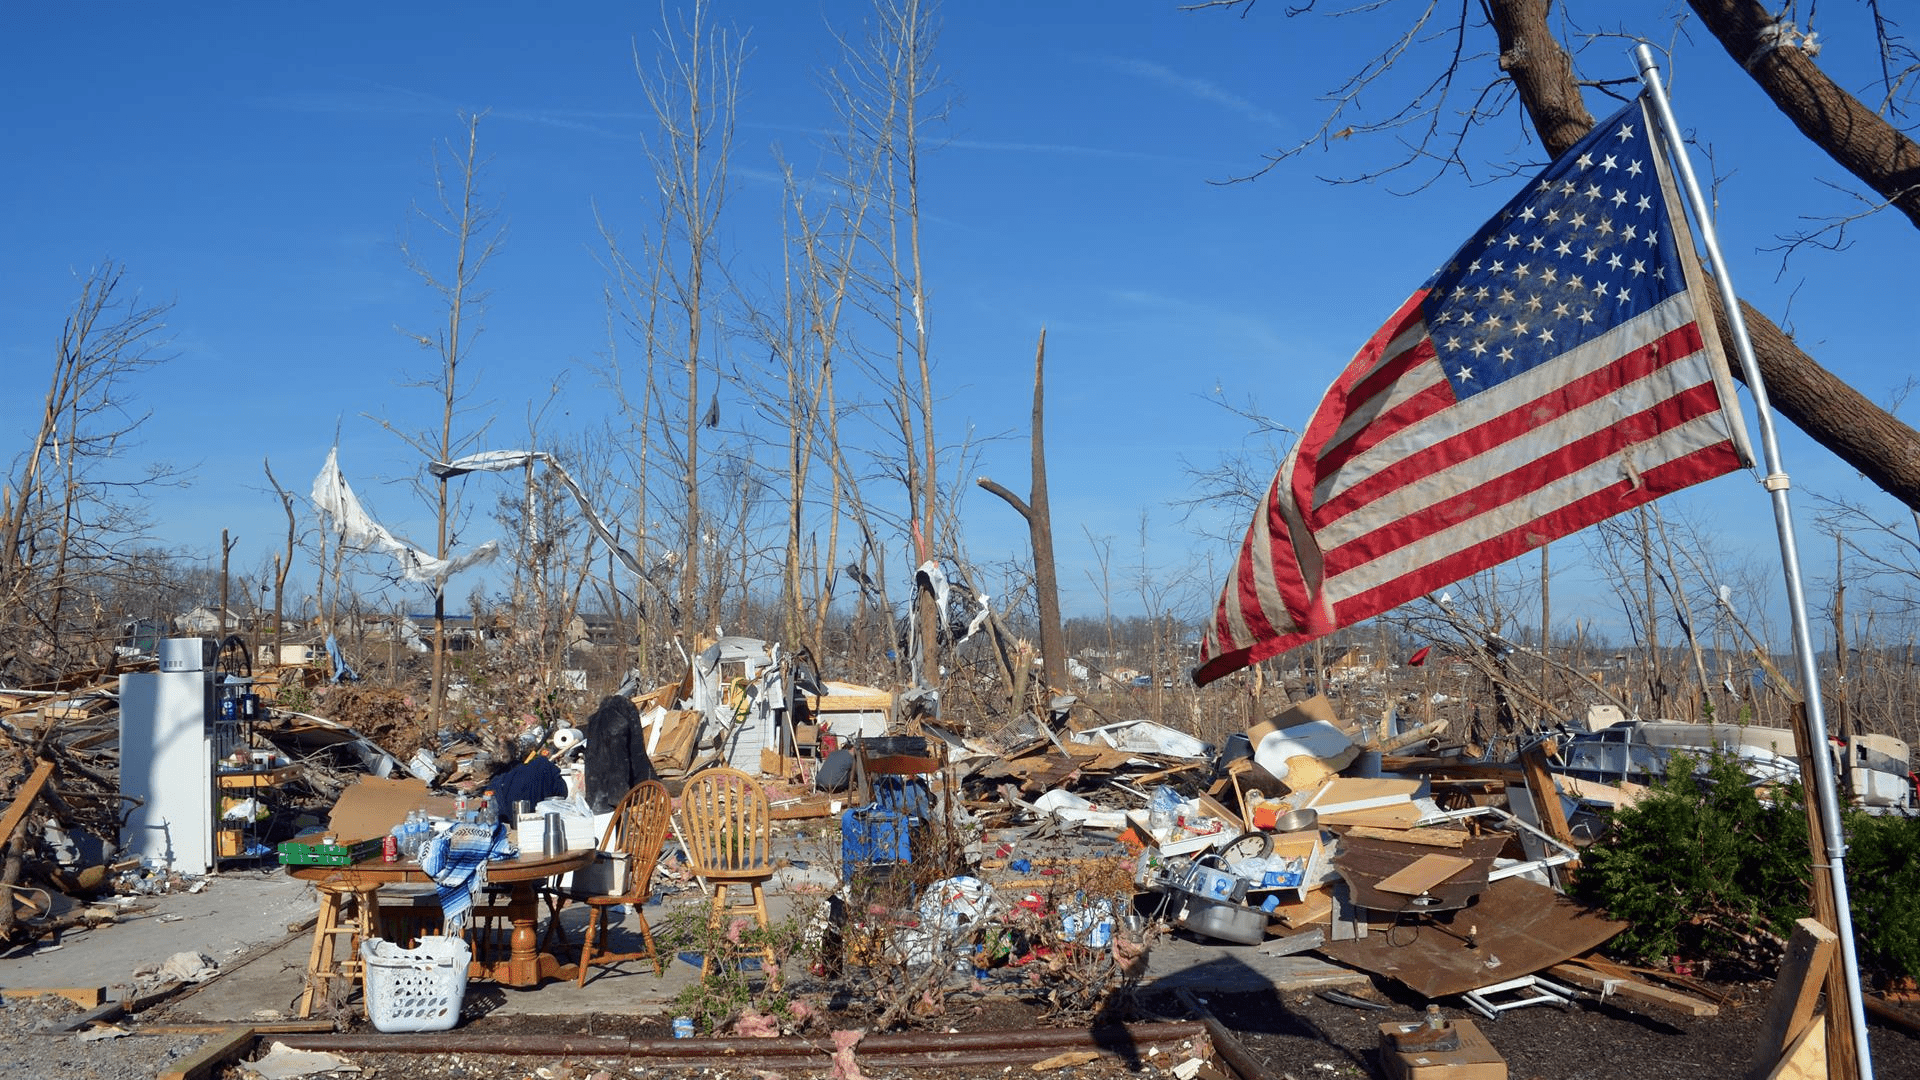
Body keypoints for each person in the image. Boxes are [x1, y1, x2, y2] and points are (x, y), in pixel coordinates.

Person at [582, 694, 658, 814]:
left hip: (598, 796)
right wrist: (619, 797)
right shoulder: (615, 725)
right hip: (611, 799)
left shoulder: (598, 721)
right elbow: (618, 764)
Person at [488, 740, 568, 820]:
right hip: (537, 821)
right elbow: (561, 792)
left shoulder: (495, 782)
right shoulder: (543, 765)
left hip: (510, 822)